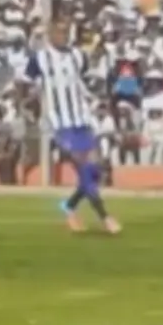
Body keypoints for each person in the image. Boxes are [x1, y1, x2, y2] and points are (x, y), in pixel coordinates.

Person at [23, 19, 120, 234]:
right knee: (84, 169)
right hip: (60, 124)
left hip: (83, 119)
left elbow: (83, 82)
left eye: (66, 32)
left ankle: (69, 206)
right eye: (59, 33)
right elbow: (24, 83)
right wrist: (31, 109)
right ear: (49, 35)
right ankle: (105, 218)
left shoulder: (78, 56)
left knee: (94, 169)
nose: (63, 36)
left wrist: (95, 99)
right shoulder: (40, 58)